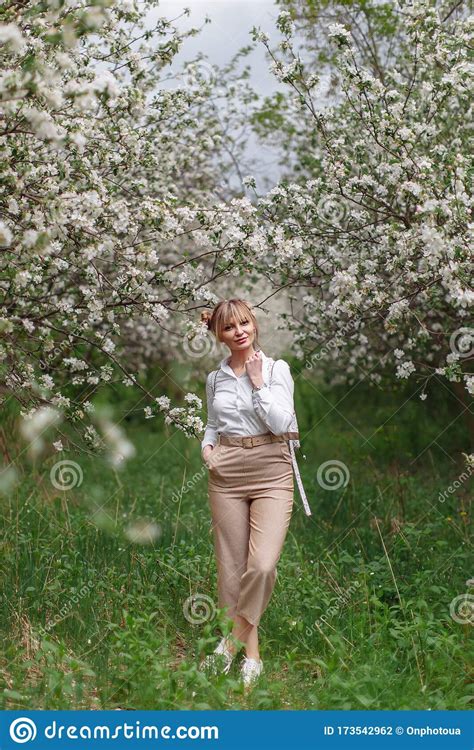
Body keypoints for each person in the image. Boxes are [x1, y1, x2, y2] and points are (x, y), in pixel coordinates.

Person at [198, 298, 298, 691]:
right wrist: (207, 450)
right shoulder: (214, 378)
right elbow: (212, 422)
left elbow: (285, 423)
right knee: (232, 569)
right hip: (226, 471)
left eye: (244, 323)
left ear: (253, 324)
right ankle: (252, 657)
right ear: (219, 335)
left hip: (272, 468)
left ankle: (227, 645)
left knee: (261, 565)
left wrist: (258, 384)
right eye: (229, 327)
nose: (239, 331)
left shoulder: (276, 369)